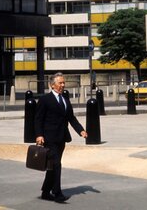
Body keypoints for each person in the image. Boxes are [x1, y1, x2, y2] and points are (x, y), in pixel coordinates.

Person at [35, 72, 87, 203]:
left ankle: (46, 192)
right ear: (52, 85)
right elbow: (38, 119)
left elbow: (71, 117)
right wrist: (39, 135)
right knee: (57, 164)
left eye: (64, 83)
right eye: (60, 83)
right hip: (49, 138)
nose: (63, 85)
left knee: (52, 166)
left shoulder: (65, 98)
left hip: (62, 137)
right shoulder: (45, 99)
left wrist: (80, 130)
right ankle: (57, 193)